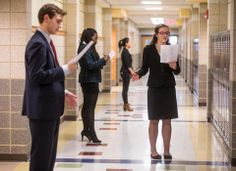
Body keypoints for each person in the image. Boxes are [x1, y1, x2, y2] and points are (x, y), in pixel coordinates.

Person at [22, 4, 78, 171]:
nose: (60, 25)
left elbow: (46, 73)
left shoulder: (46, 42)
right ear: (46, 18)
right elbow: (37, 76)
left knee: (48, 157)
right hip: (42, 110)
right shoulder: (38, 43)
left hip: (48, 108)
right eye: (58, 21)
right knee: (41, 158)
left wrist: (63, 92)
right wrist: (66, 69)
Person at [134, 24, 180, 160]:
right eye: (161, 33)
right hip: (154, 88)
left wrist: (174, 66)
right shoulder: (148, 49)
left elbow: (177, 71)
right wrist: (138, 74)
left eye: (167, 33)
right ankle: (153, 150)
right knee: (153, 120)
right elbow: (144, 68)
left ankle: (166, 150)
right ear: (156, 34)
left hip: (168, 88)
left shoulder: (172, 49)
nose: (164, 35)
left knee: (167, 121)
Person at [78, 28, 109, 143]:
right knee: (89, 108)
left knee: (87, 107)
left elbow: (93, 63)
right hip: (89, 81)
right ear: (89, 36)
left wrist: (103, 60)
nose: (96, 39)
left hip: (91, 79)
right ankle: (91, 132)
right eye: (95, 37)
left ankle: (86, 130)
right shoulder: (84, 47)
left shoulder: (88, 47)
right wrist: (103, 60)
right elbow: (89, 65)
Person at [118, 37, 136, 111]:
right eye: (129, 42)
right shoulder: (125, 51)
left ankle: (126, 104)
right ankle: (126, 104)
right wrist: (132, 72)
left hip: (125, 72)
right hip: (125, 72)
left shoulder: (126, 50)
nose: (130, 43)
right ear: (126, 44)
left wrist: (131, 72)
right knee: (125, 89)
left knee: (125, 89)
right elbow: (127, 64)